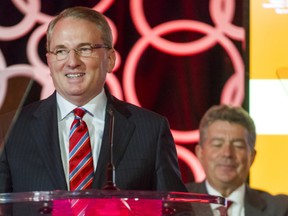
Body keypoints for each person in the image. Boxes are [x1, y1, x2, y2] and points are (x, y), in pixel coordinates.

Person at [0, 6, 186, 193]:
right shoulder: (10, 130)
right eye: (61, 51)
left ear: (110, 58)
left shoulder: (150, 130)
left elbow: (176, 210)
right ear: (49, 61)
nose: (72, 62)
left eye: (85, 49)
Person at [186, 105, 288, 216]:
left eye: (238, 145)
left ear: (252, 156)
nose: (227, 153)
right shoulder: (176, 204)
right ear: (200, 153)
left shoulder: (280, 209)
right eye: (217, 144)